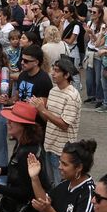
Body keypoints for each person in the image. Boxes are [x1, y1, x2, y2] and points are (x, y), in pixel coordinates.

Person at [33, 56, 82, 188]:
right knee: (51, 183)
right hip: (49, 144)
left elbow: (64, 125)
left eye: (56, 71)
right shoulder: (53, 91)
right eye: (52, 70)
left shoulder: (72, 96)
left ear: (66, 75)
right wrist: (38, 109)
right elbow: (49, 119)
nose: (52, 74)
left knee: (60, 185)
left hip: (61, 149)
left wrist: (43, 109)